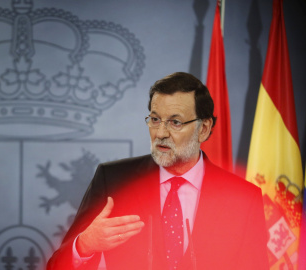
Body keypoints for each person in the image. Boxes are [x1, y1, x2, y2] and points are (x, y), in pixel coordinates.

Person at [47, 72, 269, 270]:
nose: (160, 133)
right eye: (155, 120)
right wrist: (84, 245)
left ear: (204, 128)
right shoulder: (112, 180)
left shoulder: (243, 198)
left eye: (175, 122)